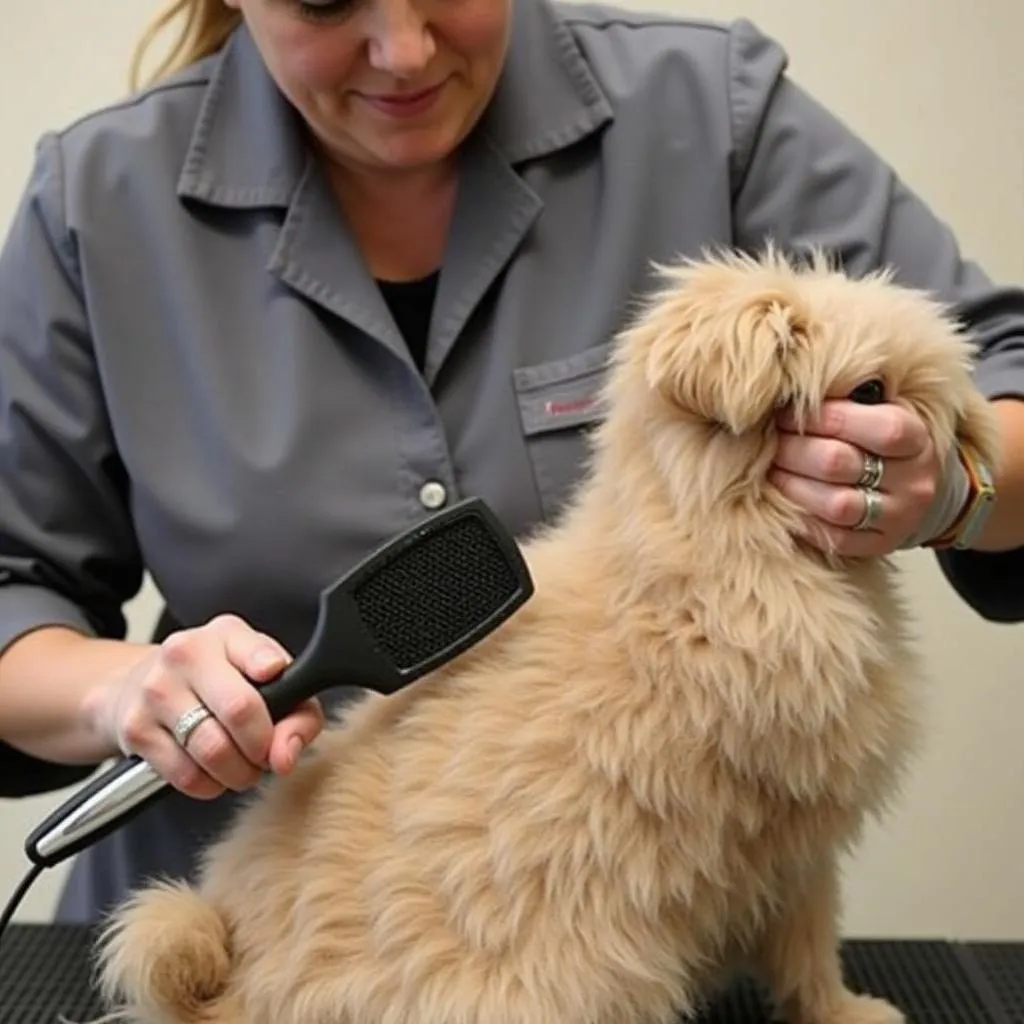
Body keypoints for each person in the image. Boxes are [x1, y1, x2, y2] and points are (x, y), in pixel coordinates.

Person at [0, 0, 1021, 926]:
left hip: (594, 921)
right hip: (269, 927)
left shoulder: (711, 112)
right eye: (323, 1)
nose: (402, 49)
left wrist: (954, 489)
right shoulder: (96, 202)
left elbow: (1003, 377)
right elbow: (13, 589)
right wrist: (123, 691)